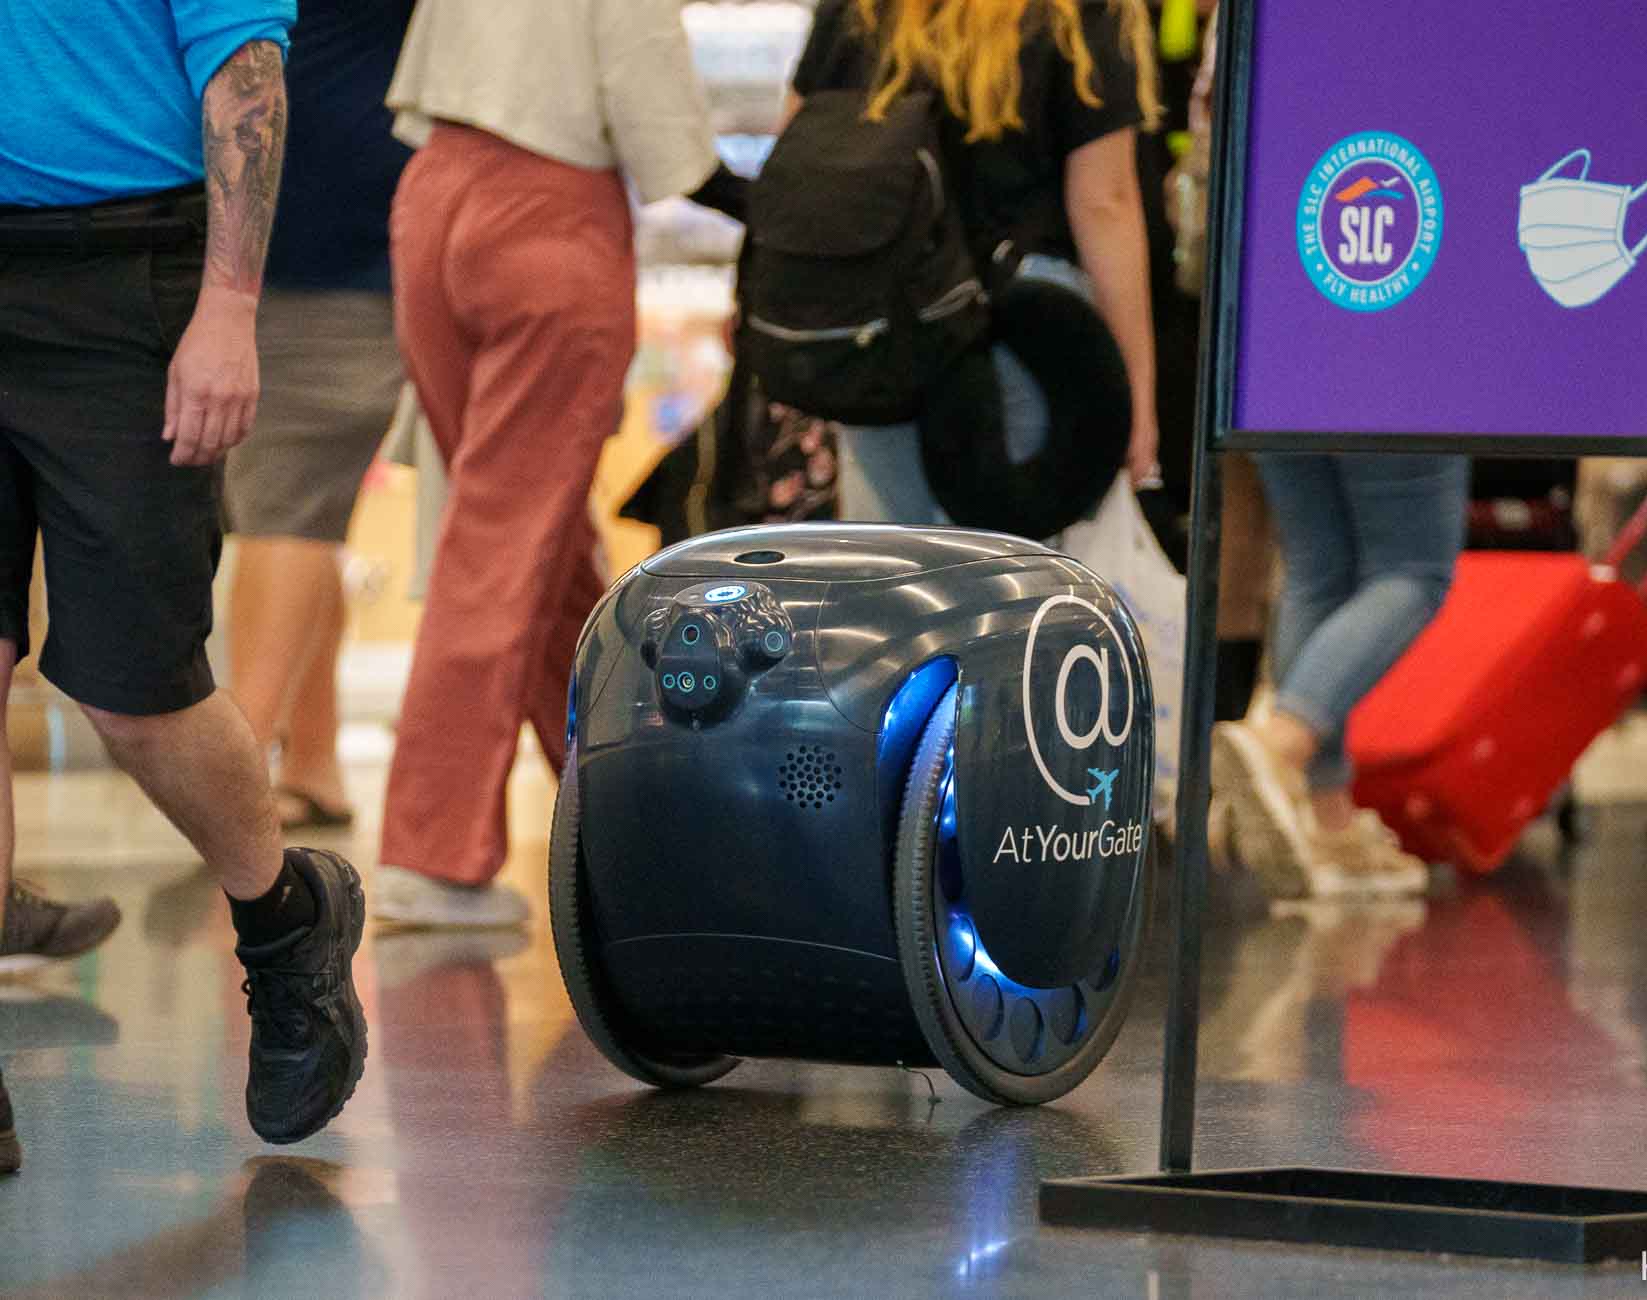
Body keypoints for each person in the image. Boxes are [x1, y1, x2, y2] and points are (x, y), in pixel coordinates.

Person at [1, 0, 369, 1170]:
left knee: (136, 697)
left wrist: (229, 306)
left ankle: (283, 919)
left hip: (126, 281)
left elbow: (247, 77)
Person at [375, 0, 722, 926]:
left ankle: (625, 812)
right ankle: (434, 853)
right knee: (503, 540)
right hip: (548, 220)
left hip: (430, 200)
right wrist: (777, 207)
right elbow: (667, 133)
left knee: (539, 541)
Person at [792, 0, 1164, 523]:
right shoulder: (1084, 12)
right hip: (1028, 322)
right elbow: (1105, 204)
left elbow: (800, 162)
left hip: (882, 325)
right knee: (1021, 575)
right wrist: (1137, 393)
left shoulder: (862, 10)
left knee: (898, 569)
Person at [224, 0, 416, 834]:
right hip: (308, 245)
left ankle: (230, 781)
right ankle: (312, 757)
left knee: (288, 509)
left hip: (331, 252)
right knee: (304, 509)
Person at [1209, 455, 1468, 899]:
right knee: (1413, 571)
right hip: (1402, 389)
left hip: (1279, 388)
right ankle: (1279, 746)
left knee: (1316, 572)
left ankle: (1328, 821)